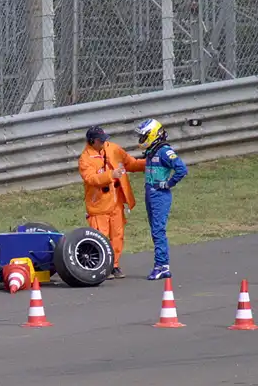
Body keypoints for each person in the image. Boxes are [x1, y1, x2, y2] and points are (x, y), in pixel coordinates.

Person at [78, 125, 146, 278]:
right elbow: (91, 179)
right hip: (99, 204)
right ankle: (101, 265)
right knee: (100, 236)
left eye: (104, 140)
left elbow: (131, 163)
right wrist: (111, 175)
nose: (103, 143)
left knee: (117, 235)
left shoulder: (113, 149)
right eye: (100, 141)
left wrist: (149, 163)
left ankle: (114, 265)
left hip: (117, 201)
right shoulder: (85, 159)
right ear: (92, 141)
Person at [134, 118, 188, 280]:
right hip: (150, 194)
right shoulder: (152, 151)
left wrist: (168, 184)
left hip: (159, 195)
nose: (141, 140)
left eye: (144, 136)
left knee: (158, 230)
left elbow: (181, 169)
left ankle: (162, 265)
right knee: (154, 230)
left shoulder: (164, 151)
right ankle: (162, 265)